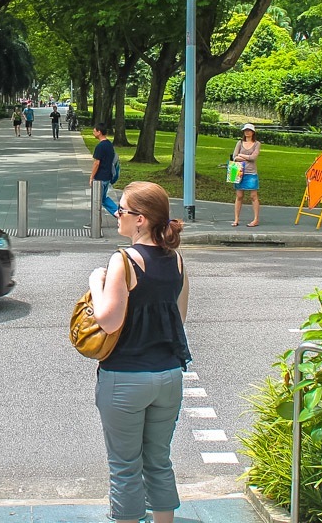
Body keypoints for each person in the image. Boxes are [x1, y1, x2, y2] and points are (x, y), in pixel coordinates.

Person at [88, 181, 191, 523]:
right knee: (159, 460)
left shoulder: (124, 260)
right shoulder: (176, 261)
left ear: (141, 220)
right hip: (168, 376)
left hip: (125, 376)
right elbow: (180, 317)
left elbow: (108, 320)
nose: (118, 215)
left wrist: (95, 283)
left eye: (123, 210)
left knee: (124, 466)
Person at [231, 123, 261, 227]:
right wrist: (245, 157)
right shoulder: (239, 143)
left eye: (249, 130)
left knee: (253, 196)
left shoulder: (257, 144)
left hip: (251, 172)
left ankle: (256, 219)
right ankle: (236, 219)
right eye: (245, 130)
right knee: (239, 196)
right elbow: (234, 157)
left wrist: (242, 155)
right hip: (239, 171)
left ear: (253, 132)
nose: (247, 132)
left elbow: (253, 157)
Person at [89, 124, 120, 216]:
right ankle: (118, 213)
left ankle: (118, 214)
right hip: (107, 176)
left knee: (97, 200)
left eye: (94, 131)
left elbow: (96, 163)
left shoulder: (100, 146)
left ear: (99, 132)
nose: (93, 133)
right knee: (103, 199)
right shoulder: (109, 144)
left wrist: (91, 177)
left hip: (100, 177)